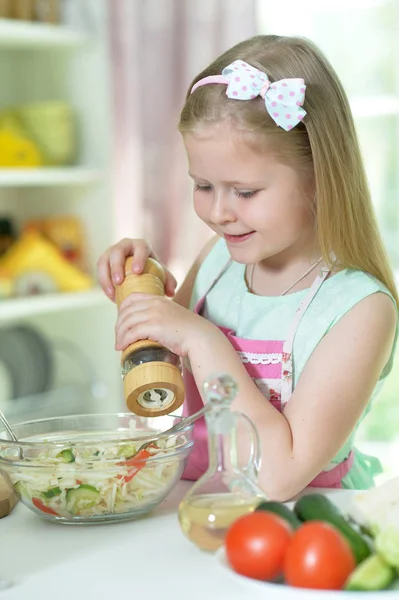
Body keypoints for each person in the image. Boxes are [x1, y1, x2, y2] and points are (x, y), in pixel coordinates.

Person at [97, 34, 398, 501]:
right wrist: (144, 286)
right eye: (203, 185)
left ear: (319, 177)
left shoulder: (360, 310)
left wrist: (201, 336)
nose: (218, 213)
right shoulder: (218, 261)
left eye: (245, 192)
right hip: (193, 507)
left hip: (294, 531)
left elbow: (277, 477)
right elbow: (160, 375)